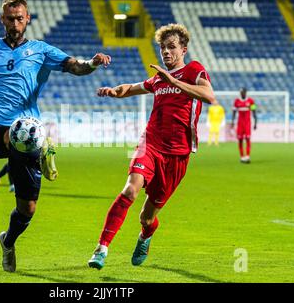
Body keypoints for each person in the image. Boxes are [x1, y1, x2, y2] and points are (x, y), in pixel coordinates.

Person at [0, 0, 111, 273]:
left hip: (26, 134)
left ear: (28, 19)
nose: (15, 24)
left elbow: (74, 66)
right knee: (21, 131)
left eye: (19, 18)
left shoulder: (42, 50)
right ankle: (40, 149)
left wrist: (93, 63)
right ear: (1, 20)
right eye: (9, 18)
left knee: (28, 209)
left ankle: (8, 241)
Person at [87, 23, 215, 270]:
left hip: (177, 155)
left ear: (184, 49)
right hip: (151, 144)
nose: (166, 52)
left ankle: (146, 235)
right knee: (130, 191)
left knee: (147, 217)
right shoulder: (158, 79)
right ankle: (101, 248)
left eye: (171, 47)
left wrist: (173, 81)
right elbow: (133, 88)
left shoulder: (193, 70)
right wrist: (115, 91)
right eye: (162, 48)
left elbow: (209, 96)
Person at [231, 88, 257, 163]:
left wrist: (255, 122)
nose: (241, 93)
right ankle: (242, 157)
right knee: (240, 140)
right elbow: (234, 112)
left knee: (248, 139)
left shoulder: (251, 101)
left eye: (243, 92)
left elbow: (254, 112)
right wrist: (232, 122)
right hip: (240, 124)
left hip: (247, 123)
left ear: (245, 93)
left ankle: (248, 156)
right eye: (241, 92)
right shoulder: (236, 101)